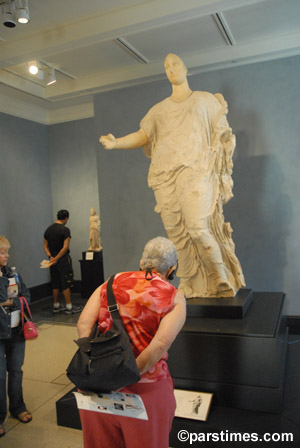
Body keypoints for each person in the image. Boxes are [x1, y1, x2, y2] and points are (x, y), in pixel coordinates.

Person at [100, 53, 245, 299]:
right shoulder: (159, 110)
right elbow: (143, 135)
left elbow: (222, 131)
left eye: (176, 63)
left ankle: (219, 276)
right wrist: (117, 144)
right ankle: (189, 281)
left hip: (196, 170)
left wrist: (224, 143)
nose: (171, 68)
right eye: (166, 66)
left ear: (186, 67)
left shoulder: (204, 100)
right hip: (164, 174)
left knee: (198, 227)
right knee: (177, 233)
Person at [77, 236, 186, 448]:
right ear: (172, 269)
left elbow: (83, 325)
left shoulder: (109, 283)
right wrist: (126, 375)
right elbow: (160, 344)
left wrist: (99, 365)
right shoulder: (174, 297)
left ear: (141, 262)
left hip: (99, 385)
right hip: (145, 390)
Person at [0, 236, 32, 437]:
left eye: (7, 251)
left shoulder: (12, 272)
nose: (7, 255)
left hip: (15, 330)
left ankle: (18, 407)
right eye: (3, 252)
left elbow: (25, 295)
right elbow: (5, 298)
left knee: (16, 370)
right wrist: (8, 301)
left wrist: (14, 303)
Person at [43, 209, 81, 314]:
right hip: (62, 260)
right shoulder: (65, 230)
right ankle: (69, 306)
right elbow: (65, 248)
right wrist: (57, 258)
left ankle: (56, 305)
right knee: (65, 282)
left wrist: (51, 257)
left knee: (55, 282)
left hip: (51, 260)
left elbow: (45, 246)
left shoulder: (48, 230)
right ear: (66, 218)